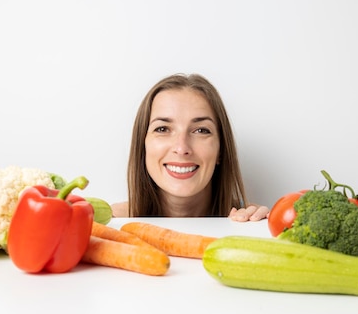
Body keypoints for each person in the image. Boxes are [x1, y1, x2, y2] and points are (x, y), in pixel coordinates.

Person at [111, 73, 269, 221]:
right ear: (143, 145)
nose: (181, 148)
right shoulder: (111, 222)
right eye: (162, 129)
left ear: (221, 149)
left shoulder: (248, 221)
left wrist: (263, 229)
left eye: (201, 130)